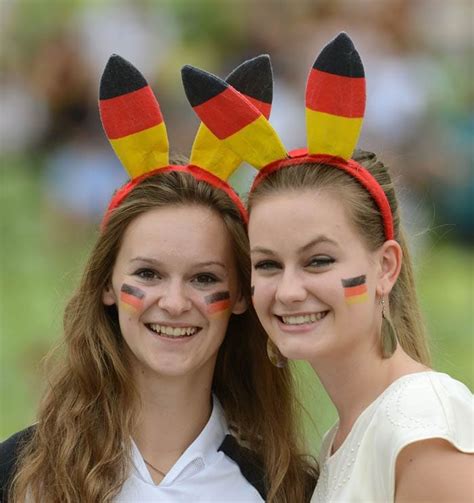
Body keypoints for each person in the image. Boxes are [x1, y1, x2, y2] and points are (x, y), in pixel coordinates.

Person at [0, 55, 317, 502]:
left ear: (243, 295)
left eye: (204, 278)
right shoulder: (20, 470)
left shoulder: (287, 489)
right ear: (106, 285)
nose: (173, 302)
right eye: (148, 273)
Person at [181, 33, 474, 502]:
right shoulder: (341, 439)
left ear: (386, 267)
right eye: (268, 264)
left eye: (318, 260)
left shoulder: (423, 419)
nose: (290, 290)